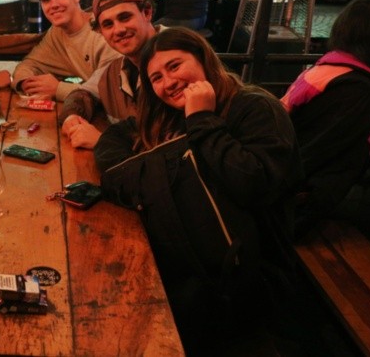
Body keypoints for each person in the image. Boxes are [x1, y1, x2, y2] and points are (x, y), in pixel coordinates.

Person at [95, 27, 302, 355]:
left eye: (175, 66)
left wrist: (202, 119)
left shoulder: (255, 108)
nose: (169, 82)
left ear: (204, 59)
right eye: (157, 78)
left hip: (248, 273)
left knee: (132, 310)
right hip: (193, 255)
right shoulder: (172, 115)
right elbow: (120, 135)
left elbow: (252, 185)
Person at [282, 0, 370, 238]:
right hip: (304, 198)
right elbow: (320, 156)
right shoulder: (356, 91)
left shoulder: (328, 67)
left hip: (296, 186)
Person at [59, 0, 162, 149]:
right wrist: (72, 118)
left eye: (125, 17)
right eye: (108, 24)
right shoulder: (114, 69)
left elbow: (174, 150)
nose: (119, 30)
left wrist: (104, 143)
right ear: (100, 32)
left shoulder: (177, 62)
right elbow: (81, 94)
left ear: (147, 12)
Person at [12, 0, 119, 101]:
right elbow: (30, 63)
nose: (54, 5)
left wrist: (58, 89)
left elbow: (112, 91)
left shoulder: (102, 30)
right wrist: (26, 82)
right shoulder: (56, 32)